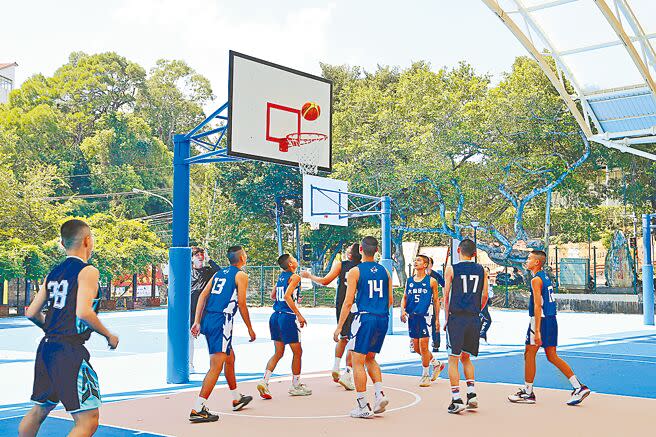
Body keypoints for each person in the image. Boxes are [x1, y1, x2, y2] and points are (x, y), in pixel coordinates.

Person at [19, 219, 119, 437]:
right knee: (88, 420)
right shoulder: (88, 272)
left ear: (63, 243)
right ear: (87, 240)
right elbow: (83, 312)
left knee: (39, 409)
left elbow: (31, 312)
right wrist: (108, 335)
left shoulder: (53, 273)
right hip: (69, 352)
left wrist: (52, 328)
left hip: (47, 348)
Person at [508, 250, 591, 406]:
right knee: (551, 355)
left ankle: (528, 393)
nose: (527, 261)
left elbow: (538, 305)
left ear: (537, 262)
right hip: (552, 319)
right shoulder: (545, 277)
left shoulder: (536, 280)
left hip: (540, 320)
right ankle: (578, 387)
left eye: (529, 258)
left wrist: (537, 330)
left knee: (529, 353)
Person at [189, 246, 256, 423]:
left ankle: (236, 397)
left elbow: (203, 296)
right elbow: (241, 304)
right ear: (242, 257)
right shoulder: (240, 275)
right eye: (246, 254)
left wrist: (197, 321)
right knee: (216, 366)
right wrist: (250, 328)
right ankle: (198, 408)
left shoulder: (218, 274)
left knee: (229, 357)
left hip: (208, 319)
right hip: (222, 321)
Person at [334, 236, 392, 419]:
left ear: (361, 251)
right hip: (382, 318)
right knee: (370, 358)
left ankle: (362, 406)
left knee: (357, 361)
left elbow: (347, 301)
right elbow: (390, 301)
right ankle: (379, 393)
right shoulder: (385, 272)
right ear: (376, 251)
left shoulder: (355, 271)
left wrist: (339, 327)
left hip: (364, 319)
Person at [301, 243, 361, 390]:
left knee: (344, 337)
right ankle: (347, 374)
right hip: (357, 305)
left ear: (349, 255)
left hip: (342, 304)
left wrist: (309, 276)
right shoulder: (363, 267)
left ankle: (335, 366)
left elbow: (325, 281)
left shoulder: (341, 265)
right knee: (354, 341)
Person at [257, 254, 312, 399]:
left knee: (278, 352)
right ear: (291, 264)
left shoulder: (281, 276)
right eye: (294, 259)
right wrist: (299, 314)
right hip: (287, 317)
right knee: (297, 352)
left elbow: (273, 296)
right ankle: (295, 385)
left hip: (275, 316)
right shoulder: (295, 277)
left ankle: (264, 381)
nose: (296, 260)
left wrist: (292, 297)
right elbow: (287, 296)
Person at [443, 239, 488, 414]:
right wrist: (477, 310)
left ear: (459, 250)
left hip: (457, 318)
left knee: (453, 359)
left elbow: (446, 296)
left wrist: (446, 318)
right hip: (473, 318)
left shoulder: (451, 268)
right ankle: (472, 394)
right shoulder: (481, 270)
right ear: (475, 253)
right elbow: (484, 295)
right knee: (466, 358)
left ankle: (456, 399)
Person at [400, 255, 444, 387]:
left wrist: (437, 319)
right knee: (417, 348)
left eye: (419, 260)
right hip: (412, 316)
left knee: (424, 346)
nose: (415, 262)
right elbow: (405, 296)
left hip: (425, 316)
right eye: (415, 260)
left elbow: (436, 301)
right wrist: (402, 310)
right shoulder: (409, 281)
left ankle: (425, 375)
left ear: (425, 265)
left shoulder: (431, 281)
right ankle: (437, 364)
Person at [190, 247, 219, 373]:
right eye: (197, 255)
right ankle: (190, 364)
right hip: (191, 310)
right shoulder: (188, 272)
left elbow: (220, 272)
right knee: (189, 337)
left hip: (206, 310)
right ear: (191, 258)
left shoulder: (208, 271)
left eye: (202, 254)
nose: (200, 256)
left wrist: (209, 259)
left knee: (212, 337)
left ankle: (215, 364)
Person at [427, 257, 445, 352]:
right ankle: (414, 343)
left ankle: (436, 344)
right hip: (421, 304)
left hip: (433, 303)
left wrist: (443, 298)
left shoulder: (436, 276)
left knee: (435, 322)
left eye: (428, 262)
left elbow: (445, 285)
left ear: (431, 264)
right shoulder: (418, 275)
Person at [479, 267, 494, 342]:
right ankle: (481, 334)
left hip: (485, 301)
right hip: (481, 301)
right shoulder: (481, 281)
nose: (486, 272)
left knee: (482, 319)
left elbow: (491, 293)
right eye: (485, 271)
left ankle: (481, 336)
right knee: (488, 320)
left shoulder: (488, 281)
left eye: (488, 271)